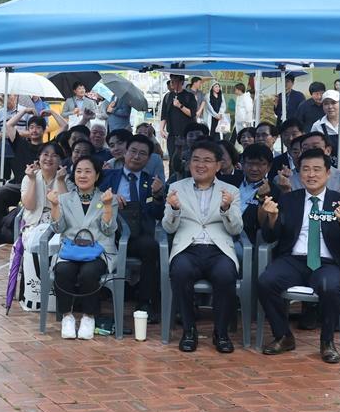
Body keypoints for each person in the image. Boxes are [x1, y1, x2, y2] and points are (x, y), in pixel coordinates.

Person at [258, 148, 340, 364]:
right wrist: (270, 218)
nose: (311, 174)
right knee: (266, 282)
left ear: (328, 174)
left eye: (317, 169)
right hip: (294, 259)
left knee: (329, 287)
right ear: (299, 174)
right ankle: (283, 336)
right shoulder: (289, 200)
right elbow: (271, 236)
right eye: (305, 169)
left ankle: (327, 342)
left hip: (327, 263)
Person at [163, 140, 244, 354]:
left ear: (218, 165)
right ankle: (189, 331)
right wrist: (173, 209)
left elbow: (236, 229)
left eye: (207, 160)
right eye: (196, 160)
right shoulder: (176, 188)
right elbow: (168, 228)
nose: (201, 165)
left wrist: (226, 208)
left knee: (226, 275)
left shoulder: (231, 191)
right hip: (187, 249)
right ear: (189, 163)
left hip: (218, 250)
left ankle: (221, 333)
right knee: (179, 272)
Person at [47, 157, 117, 340]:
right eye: (78, 171)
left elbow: (109, 230)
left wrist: (108, 206)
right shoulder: (63, 199)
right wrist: (54, 205)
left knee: (89, 272)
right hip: (71, 250)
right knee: (62, 269)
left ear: (97, 175)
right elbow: (57, 228)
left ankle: (88, 316)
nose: (82, 175)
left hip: (98, 251)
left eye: (88, 171)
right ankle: (67, 316)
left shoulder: (108, 198)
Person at [100, 133, 165, 321]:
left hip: (137, 236)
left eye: (142, 154)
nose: (136, 157)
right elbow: (93, 202)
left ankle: (145, 303)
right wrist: (109, 200)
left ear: (148, 158)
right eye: (133, 151)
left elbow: (158, 215)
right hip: (107, 233)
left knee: (152, 248)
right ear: (125, 152)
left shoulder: (151, 181)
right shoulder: (107, 176)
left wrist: (158, 196)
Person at [17, 142, 67, 310]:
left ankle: (54, 299)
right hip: (34, 224)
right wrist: (31, 179)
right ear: (38, 158)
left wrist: (60, 181)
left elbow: (65, 206)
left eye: (54, 155)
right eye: (45, 154)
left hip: (57, 224)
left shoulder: (65, 178)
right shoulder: (29, 177)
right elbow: (29, 206)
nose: (49, 158)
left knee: (59, 245)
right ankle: (34, 297)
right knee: (34, 244)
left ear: (60, 159)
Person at [0, 113, 47, 243]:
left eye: (38, 127)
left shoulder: (48, 149)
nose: (34, 130)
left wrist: (52, 113)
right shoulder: (20, 143)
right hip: (18, 185)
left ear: (44, 130)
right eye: (31, 127)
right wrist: (25, 111)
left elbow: (65, 126)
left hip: (39, 187)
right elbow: (8, 125)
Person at [230, 143, 280, 242]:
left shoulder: (274, 191)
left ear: (269, 167)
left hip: (246, 241)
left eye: (260, 164)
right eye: (250, 163)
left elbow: (266, 229)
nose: (254, 169)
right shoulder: (231, 181)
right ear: (243, 164)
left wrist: (262, 198)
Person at [159, 74, 197, 162]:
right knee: (172, 161)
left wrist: (180, 106)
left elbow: (192, 113)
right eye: (171, 80)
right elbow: (164, 115)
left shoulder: (189, 96)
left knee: (184, 162)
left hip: (185, 136)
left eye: (174, 80)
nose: (172, 82)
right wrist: (161, 129)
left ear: (181, 82)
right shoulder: (168, 96)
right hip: (172, 135)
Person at [0, 94, 24, 181]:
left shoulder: (24, 111)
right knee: (3, 180)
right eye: (3, 96)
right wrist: (4, 135)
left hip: (20, 153)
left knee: (21, 180)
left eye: (9, 96)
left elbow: (32, 132)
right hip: (3, 153)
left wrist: (16, 134)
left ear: (16, 96)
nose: (6, 98)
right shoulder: (0, 113)